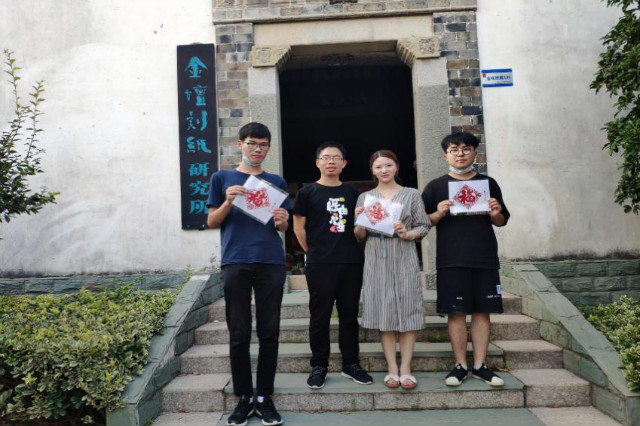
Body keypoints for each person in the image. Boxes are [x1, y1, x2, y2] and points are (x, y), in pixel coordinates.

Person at [206, 122, 290, 426]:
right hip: (236, 260)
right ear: (240, 144)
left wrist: (282, 221)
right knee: (239, 332)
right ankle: (244, 396)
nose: (257, 149)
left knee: (270, 332)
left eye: (263, 144)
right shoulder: (222, 178)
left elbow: (282, 226)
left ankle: (264, 396)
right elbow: (212, 221)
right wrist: (228, 201)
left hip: (271, 260)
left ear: (269, 147)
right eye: (252, 143)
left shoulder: (276, 181)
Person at [421, 132, 510, 388]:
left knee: (483, 311)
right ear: (445, 156)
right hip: (451, 258)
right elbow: (422, 221)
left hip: (484, 257)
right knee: (456, 312)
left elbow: (501, 220)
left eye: (466, 149)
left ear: (475, 153)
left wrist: (495, 212)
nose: (460, 154)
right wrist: (438, 213)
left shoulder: (488, 183)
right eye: (454, 150)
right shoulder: (436, 186)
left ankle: (480, 365)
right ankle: (460, 365)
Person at [292, 142, 372, 390]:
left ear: (344, 163)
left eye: (336, 158)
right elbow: (298, 228)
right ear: (318, 162)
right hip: (320, 263)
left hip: (350, 261)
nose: (331, 161)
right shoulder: (307, 193)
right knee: (320, 315)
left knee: (349, 315)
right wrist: (313, 252)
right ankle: (319, 366)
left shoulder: (352, 193)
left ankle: (351, 364)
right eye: (326, 157)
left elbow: (358, 230)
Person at [354, 150, 430, 390]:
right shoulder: (366, 197)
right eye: (378, 167)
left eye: (388, 165)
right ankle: (392, 369)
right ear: (372, 171)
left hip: (404, 251)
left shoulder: (412, 194)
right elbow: (359, 236)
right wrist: (359, 220)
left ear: (396, 166)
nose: (383, 170)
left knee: (408, 308)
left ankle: (406, 369)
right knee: (384, 311)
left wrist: (407, 234)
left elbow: (424, 225)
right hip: (375, 254)